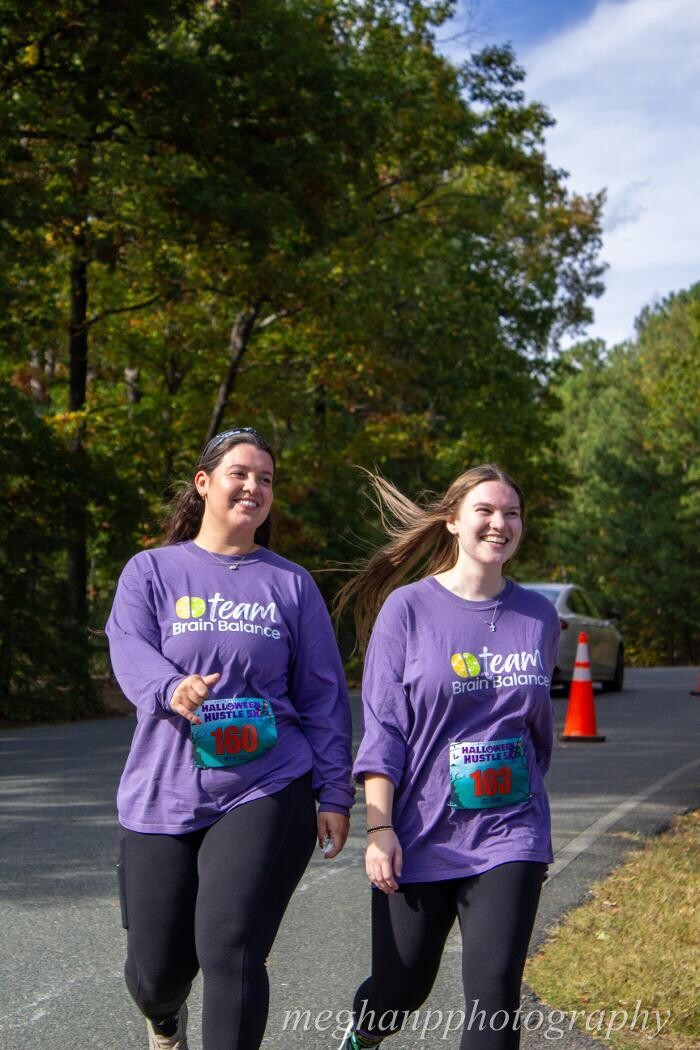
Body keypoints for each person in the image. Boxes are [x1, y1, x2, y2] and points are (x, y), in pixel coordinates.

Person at [106, 426, 354, 1050]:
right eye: (241, 473)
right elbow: (127, 646)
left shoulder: (289, 584)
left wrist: (334, 793)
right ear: (204, 483)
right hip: (163, 791)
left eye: (266, 479)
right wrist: (171, 687)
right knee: (156, 974)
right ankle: (165, 1019)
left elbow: (323, 693)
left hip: (266, 784)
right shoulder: (152, 571)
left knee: (231, 947)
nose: (254, 487)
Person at [334, 464, 560, 1050]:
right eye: (485, 510)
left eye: (511, 513)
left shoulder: (538, 617)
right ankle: (365, 1031)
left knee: (495, 994)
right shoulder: (406, 610)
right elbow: (383, 729)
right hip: (419, 830)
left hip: (511, 829)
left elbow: (537, 731)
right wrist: (379, 826)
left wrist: (520, 799)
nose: (499, 523)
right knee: (402, 986)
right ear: (454, 521)